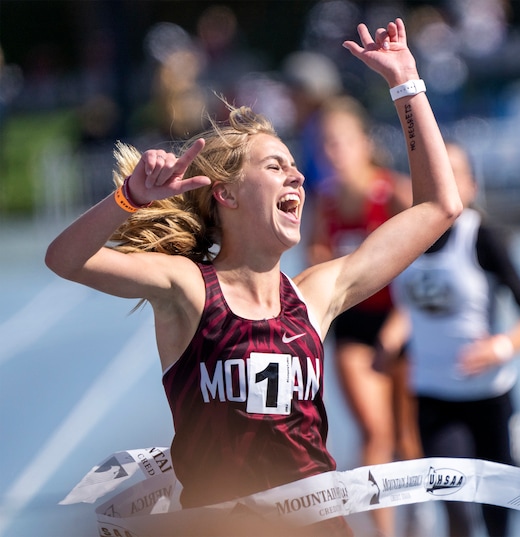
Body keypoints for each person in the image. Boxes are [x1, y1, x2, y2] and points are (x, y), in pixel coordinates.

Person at [44, 18, 462, 536]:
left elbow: (441, 206)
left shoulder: (314, 297)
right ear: (228, 193)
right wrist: (127, 199)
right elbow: (65, 259)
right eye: (274, 166)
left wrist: (406, 82)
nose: (298, 175)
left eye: (294, 165)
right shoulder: (188, 290)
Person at [383, 142, 520, 537]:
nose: (443, 181)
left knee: (498, 515)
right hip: (434, 397)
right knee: (455, 509)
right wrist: (391, 336)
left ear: (471, 186)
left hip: (489, 396)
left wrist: (500, 347)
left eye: (453, 172)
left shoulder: (483, 238)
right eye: (433, 171)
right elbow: (411, 303)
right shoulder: (402, 238)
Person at [306, 94, 416, 537]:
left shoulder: (393, 194)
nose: (333, 152)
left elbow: (423, 267)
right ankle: (383, 532)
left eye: (341, 141)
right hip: (352, 328)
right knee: (375, 430)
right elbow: (315, 271)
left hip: (401, 320)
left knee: (408, 440)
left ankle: (417, 520)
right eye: (324, 144)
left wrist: (399, 328)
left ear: (363, 143)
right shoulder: (324, 205)